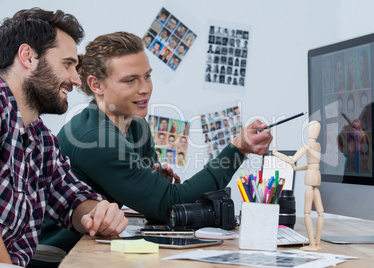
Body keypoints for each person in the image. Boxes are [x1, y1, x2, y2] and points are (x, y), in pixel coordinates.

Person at [41, 31, 272, 255]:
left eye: (147, 76)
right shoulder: (95, 138)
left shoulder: (136, 125)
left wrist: (155, 184)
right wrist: (238, 149)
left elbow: (156, 206)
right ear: (96, 85)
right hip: (64, 255)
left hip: (93, 246)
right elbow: (172, 204)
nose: (145, 88)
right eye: (130, 80)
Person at [0, 8, 128, 266]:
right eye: (67, 64)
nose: (76, 80)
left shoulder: (40, 138)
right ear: (28, 56)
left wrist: (99, 213)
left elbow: (70, 198)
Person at [273, 121, 324, 251]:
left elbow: (291, 159)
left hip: (310, 178)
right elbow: (311, 164)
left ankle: (312, 244)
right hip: (317, 176)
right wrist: (296, 169)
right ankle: (317, 244)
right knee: (320, 213)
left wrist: (276, 154)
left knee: (307, 213)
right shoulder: (318, 146)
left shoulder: (308, 146)